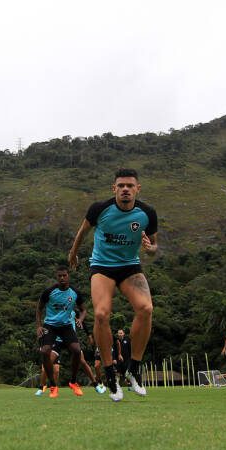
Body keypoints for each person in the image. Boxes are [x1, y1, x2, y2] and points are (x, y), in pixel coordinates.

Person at [68, 169, 158, 402]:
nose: (125, 189)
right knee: (101, 314)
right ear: (114, 189)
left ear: (138, 189)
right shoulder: (100, 209)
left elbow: (154, 245)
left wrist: (150, 249)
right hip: (102, 267)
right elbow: (82, 233)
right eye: (121, 186)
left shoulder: (147, 214)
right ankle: (110, 375)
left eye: (130, 185)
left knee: (146, 309)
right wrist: (73, 254)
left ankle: (134, 369)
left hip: (130, 267)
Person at [36, 266, 86, 398]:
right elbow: (39, 308)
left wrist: (80, 319)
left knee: (76, 350)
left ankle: (73, 382)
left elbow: (83, 309)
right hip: (50, 325)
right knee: (44, 351)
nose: (62, 278)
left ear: (68, 276)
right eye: (60, 276)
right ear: (56, 277)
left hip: (66, 326)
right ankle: (53, 385)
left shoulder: (74, 292)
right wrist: (39, 326)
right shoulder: (49, 292)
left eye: (64, 275)